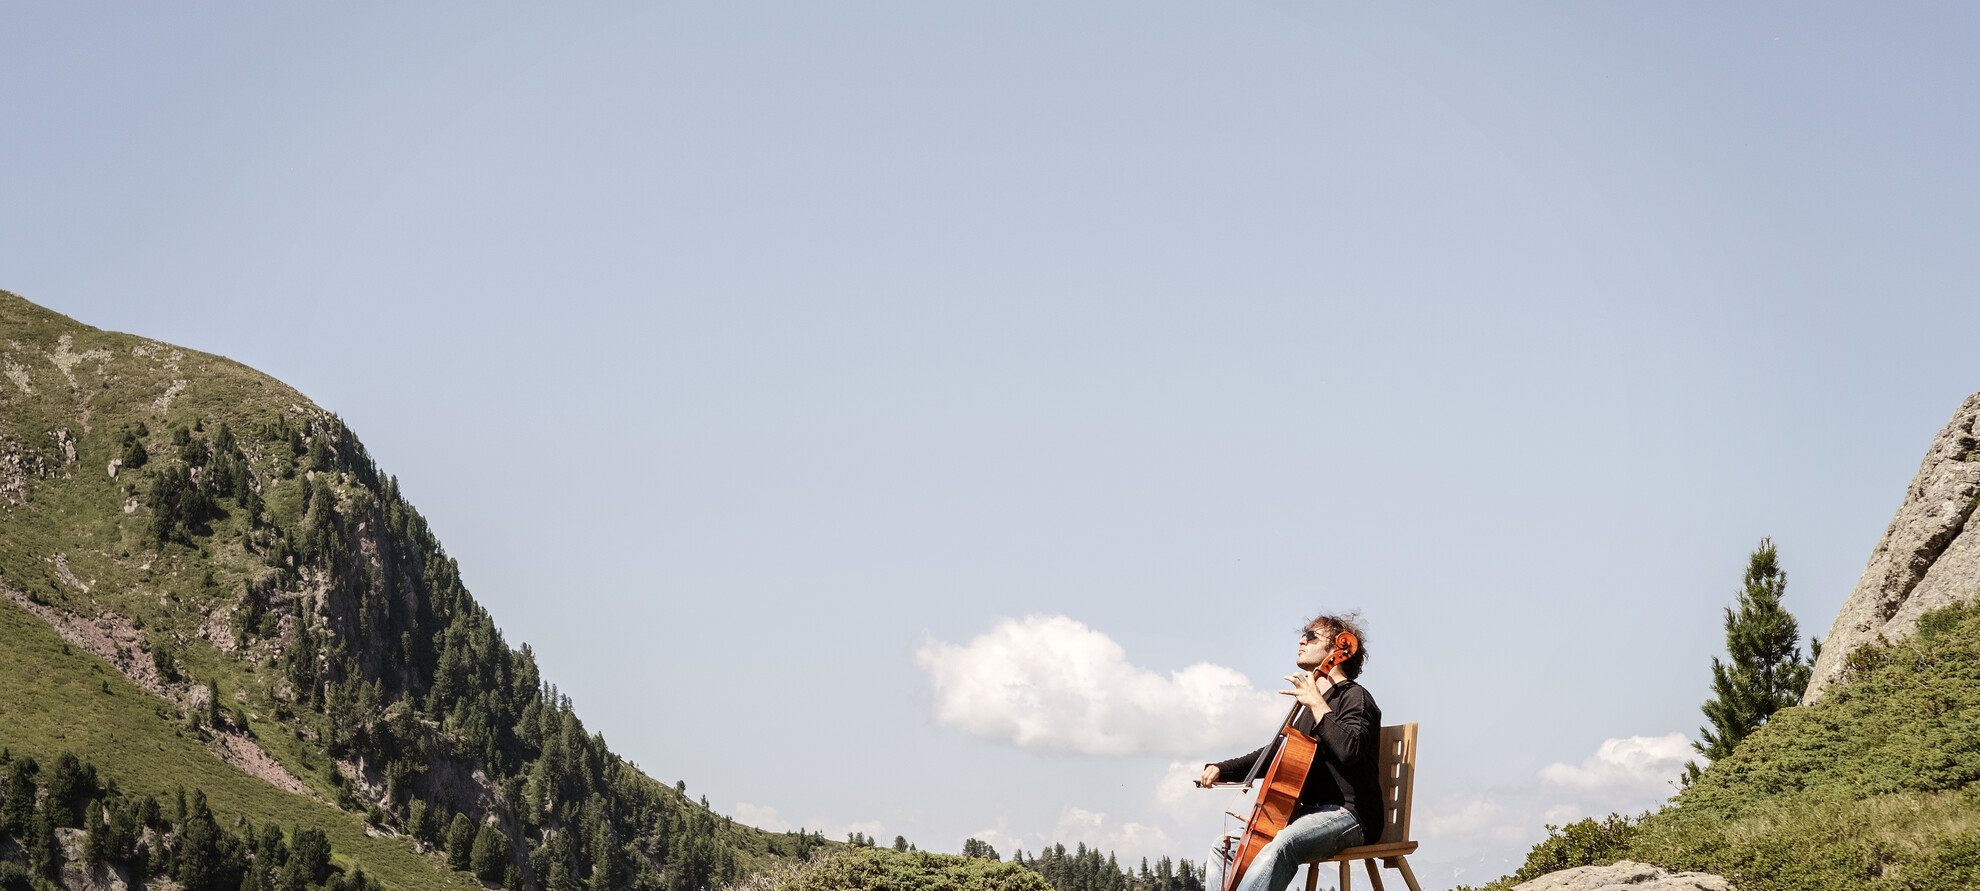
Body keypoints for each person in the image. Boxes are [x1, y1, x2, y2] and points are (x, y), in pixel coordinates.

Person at [1198, 614, 1382, 891]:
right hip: (1305, 814)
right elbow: (1275, 755)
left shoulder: (1355, 697)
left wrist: (1318, 704)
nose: (1301, 640)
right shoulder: (1312, 707)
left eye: (1310, 636)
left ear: (1338, 647)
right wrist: (1222, 769)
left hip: (1350, 815)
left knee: (1285, 843)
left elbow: (1349, 751)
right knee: (1223, 848)